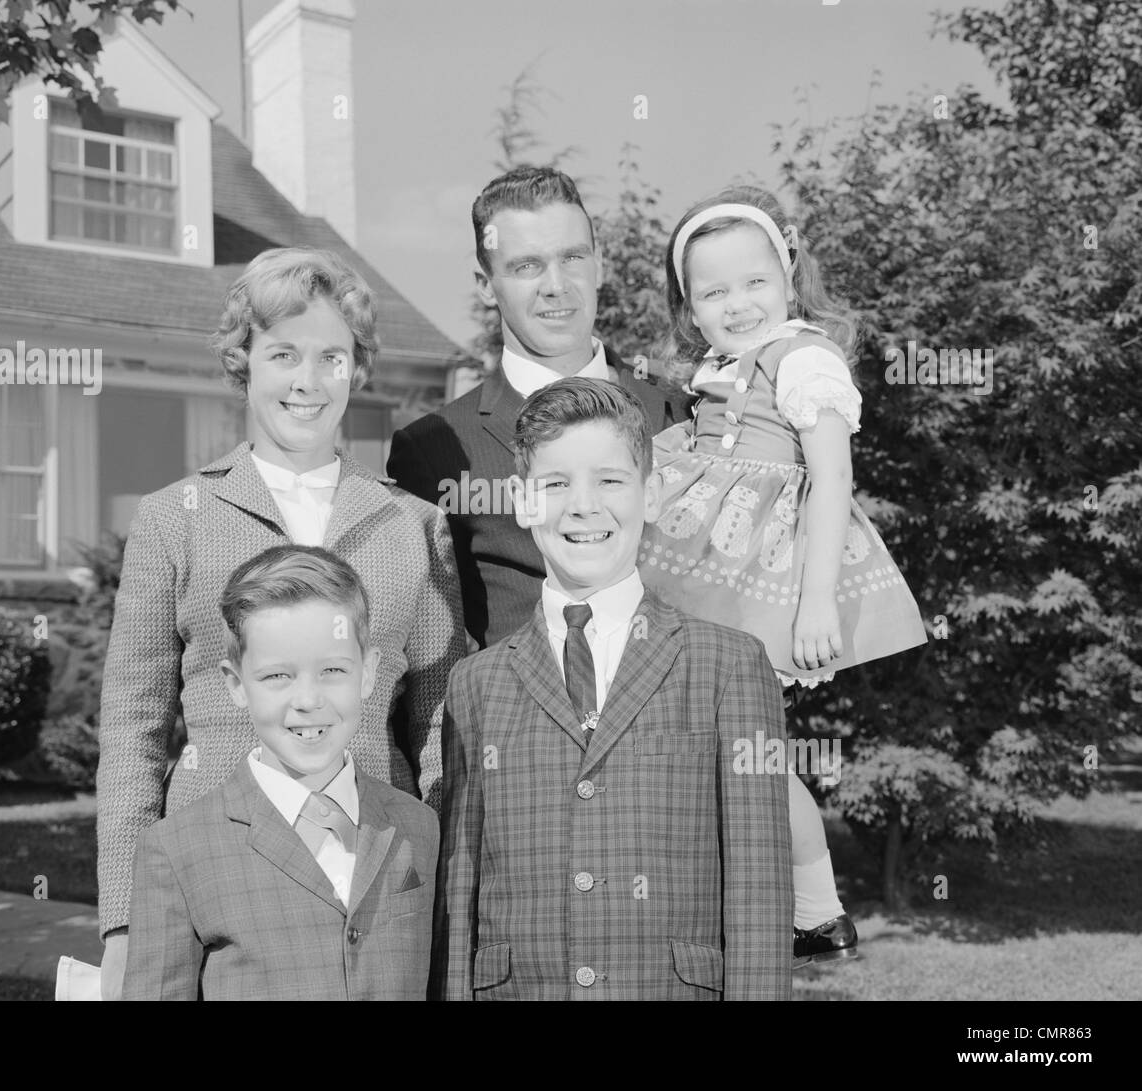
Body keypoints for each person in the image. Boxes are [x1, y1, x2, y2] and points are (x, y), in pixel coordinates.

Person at [97, 248, 463, 999]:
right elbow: (132, 729)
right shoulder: (174, 519)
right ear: (244, 362)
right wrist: (124, 922)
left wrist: (446, 886)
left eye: (332, 356)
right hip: (216, 876)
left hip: (373, 866)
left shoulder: (412, 524)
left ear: (356, 369)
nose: (308, 380)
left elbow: (438, 725)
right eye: (284, 354)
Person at [431, 378, 792, 1000]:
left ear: (651, 495)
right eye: (556, 484)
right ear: (522, 500)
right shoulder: (475, 683)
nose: (582, 506)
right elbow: (461, 882)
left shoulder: (729, 664)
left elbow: (758, 885)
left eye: (610, 481)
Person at [641, 186, 928, 965]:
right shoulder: (719, 370)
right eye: (714, 291)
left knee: (750, 752)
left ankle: (817, 906)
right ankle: (763, 902)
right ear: (689, 306)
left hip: (764, 586)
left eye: (754, 282)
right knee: (713, 747)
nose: (738, 304)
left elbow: (832, 478)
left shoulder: (802, 357)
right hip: (711, 574)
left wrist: (815, 603)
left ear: (790, 277)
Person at [388, 165, 690, 650]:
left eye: (572, 257)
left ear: (600, 265)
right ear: (485, 284)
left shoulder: (679, 414)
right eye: (527, 266)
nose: (556, 285)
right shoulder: (432, 450)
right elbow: (428, 638)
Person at [123, 546, 439, 1000]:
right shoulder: (174, 850)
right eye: (277, 677)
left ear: (367, 673)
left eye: (332, 670)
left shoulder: (419, 827)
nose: (308, 700)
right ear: (236, 684)